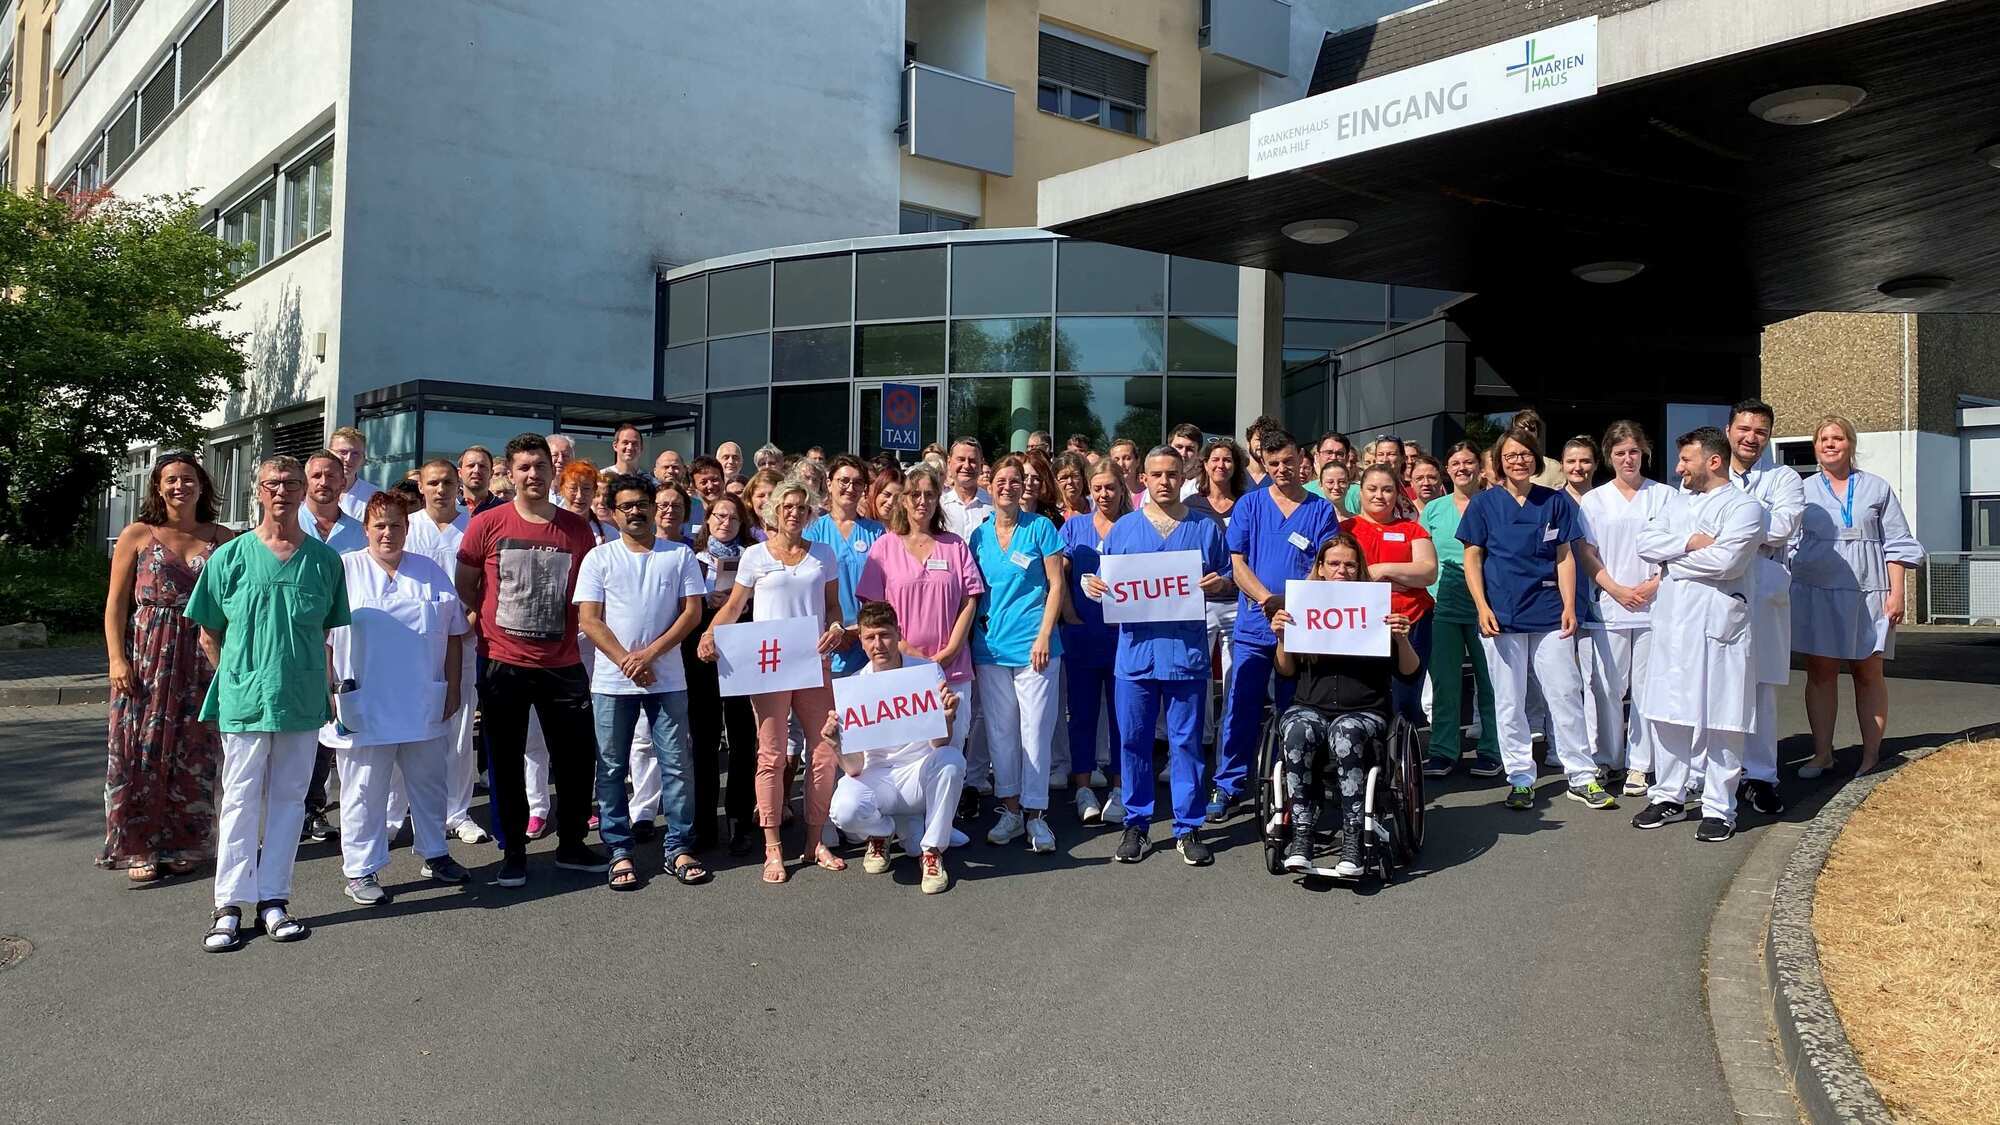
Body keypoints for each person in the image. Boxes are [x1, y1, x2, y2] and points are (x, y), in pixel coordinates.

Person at [184, 455, 350, 951]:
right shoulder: (229, 558)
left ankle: (275, 900)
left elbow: (322, 633)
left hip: (300, 699)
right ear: (257, 491)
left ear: (305, 492)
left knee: (290, 801)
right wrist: (238, 676)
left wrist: (325, 687)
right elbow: (208, 634)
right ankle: (229, 904)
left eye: (292, 483)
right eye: (273, 483)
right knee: (238, 800)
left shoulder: (324, 562)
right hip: (245, 700)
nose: (283, 491)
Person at [456, 433, 609, 887]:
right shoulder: (488, 523)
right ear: (510, 472)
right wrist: (483, 623)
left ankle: (573, 844)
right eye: (523, 467)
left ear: (552, 471)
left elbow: (587, 593)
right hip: (503, 662)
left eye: (540, 466)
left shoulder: (576, 529)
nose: (533, 475)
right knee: (505, 759)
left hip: (562, 662)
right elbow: (465, 583)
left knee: (577, 758)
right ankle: (514, 852)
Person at [321, 492, 474, 904]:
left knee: (429, 782)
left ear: (408, 528)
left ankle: (436, 853)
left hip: (422, 697)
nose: (388, 533)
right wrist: (327, 691)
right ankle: (361, 869)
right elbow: (323, 640)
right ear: (366, 529)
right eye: (379, 526)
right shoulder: (345, 569)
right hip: (363, 701)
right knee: (363, 789)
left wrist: (455, 687)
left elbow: (456, 634)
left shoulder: (429, 571)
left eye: (396, 525)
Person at [1085, 448, 1232, 865]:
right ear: (1143, 479)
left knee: (1186, 742)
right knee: (1134, 741)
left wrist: (1217, 584)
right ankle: (1137, 823)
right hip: (1135, 655)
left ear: (1182, 476)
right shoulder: (1124, 531)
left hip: (1185, 653)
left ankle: (1188, 826)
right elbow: (1106, 580)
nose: (1164, 481)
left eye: (1171, 474)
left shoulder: (1206, 527)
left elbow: (1227, 579)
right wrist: (1093, 586)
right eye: (1156, 474)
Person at [1458, 426, 1617, 811]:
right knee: (1510, 700)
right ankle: (1521, 778)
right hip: (1501, 612)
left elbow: (1564, 555)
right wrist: (1481, 606)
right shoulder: (1484, 504)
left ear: (1536, 459)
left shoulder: (1555, 502)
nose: (1518, 460)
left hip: (1549, 612)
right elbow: (1472, 557)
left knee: (1564, 693)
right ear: (1499, 461)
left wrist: (1568, 605)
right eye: (1510, 455)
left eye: (1525, 454)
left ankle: (1582, 775)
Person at [698, 479, 848, 884]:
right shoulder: (754, 555)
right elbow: (734, 605)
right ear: (774, 512)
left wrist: (836, 626)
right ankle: (773, 846)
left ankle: (815, 839)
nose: (794, 513)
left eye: (801, 507)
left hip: (813, 661)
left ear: (809, 512)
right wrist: (710, 634)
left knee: (822, 752)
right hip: (769, 664)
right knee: (772, 754)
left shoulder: (824, 555)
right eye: (787, 507)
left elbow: (833, 606)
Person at [100, 453, 233, 883]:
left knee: (196, 749)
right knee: (139, 748)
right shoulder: (138, 534)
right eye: (171, 480)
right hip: (147, 656)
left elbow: (234, 604)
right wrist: (116, 659)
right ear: (158, 487)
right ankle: (140, 846)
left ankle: (186, 842)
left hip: (202, 653)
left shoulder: (223, 537)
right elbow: (116, 603)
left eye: (188, 479)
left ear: (201, 486)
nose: (180, 486)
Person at [1631, 428, 1768, 842]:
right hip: (1673, 626)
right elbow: (1644, 542)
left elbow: (1728, 560)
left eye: (1686, 460)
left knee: (1723, 718)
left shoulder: (1746, 508)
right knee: (1668, 713)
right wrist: (1690, 541)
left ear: (1713, 460)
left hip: (1719, 625)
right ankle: (1669, 795)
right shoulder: (1676, 502)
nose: (1678, 469)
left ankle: (1718, 807)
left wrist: (1672, 563)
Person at [575, 474, 710, 889]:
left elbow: (691, 614)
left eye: (642, 504)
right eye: (627, 506)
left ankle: (678, 847)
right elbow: (589, 619)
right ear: (614, 514)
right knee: (612, 766)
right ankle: (619, 849)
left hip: (667, 677)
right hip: (612, 683)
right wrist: (627, 662)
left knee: (676, 764)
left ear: (654, 507)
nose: (636, 512)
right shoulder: (599, 558)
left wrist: (649, 656)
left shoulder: (679, 555)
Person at [1270, 533, 1420, 875]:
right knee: (1295, 729)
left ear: (1359, 568)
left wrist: (1401, 639)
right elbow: (1285, 671)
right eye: (1334, 563)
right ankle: (1303, 832)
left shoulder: (1377, 608)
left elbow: (1409, 675)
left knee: (1345, 730)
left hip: (1364, 710)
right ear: (1320, 568)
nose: (1342, 570)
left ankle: (1354, 833)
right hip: (1311, 704)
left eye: (1350, 564)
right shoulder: (1303, 607)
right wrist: (1282, 639)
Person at [1215, 429, 1339, 823]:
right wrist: (1267, 600)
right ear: (1264, 466)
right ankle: (1229, 784)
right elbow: (1237, 563)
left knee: (1299, 711)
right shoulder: (1250, 505)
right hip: (1254, 626)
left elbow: (1326, 565)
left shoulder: (1320, 510)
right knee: (1240, 707)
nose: (1282, 470)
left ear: (1301, 458)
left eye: (1287, 461)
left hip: (1304, 628)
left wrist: (1294, 602)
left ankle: (1298, 785)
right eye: (1273, 465)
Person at [1792, 416, 1924, 778]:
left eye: (1837, 438)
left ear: (1850, 444)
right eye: (1823, 439)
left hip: (1869, 592)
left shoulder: (1877, 488)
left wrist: (1897, 593)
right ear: (1815, 447)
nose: (1830, 444)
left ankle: (1871, 754)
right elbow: (1787, 542)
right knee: (1820, 672)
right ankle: (1822, 754)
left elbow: (1897, 543)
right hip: (1817, 590)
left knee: (1868, 671)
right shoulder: (1801, 490)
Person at [858, 463, 986, 815]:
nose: (922, 502)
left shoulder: (954, 545)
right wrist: (909, 651)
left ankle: (941, 822)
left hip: (952, 669)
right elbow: (875, 610)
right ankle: (905, 820)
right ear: (903, 500)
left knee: (949, 745)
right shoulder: (884, 547)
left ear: (938, 501)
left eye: (930, 495)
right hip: (899, 672)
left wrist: (950, 650)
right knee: (903, 750)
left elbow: (969, 600)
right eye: (915, 495)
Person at [826, 603, 967, 895]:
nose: (878, 644)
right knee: (844, 808)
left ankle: (932, 851)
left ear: (898, 634)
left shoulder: (926, 672)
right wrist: (838, 745)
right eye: (870, 637)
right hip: (879, 777)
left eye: (885, 635)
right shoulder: (854, 686)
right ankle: (882, 833)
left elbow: (940, 744)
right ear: (862, 641)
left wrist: (946, 720)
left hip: (919, 774)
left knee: (951, 760)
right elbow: (853, 768)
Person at [968, 455, 1067, 853]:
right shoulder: (978, 535)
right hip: (990, 648)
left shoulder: (1040, 527)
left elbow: (1056, 585)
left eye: (1016, 481)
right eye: (1002, 481)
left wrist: (1045, 634)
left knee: (1035, 732)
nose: (1008, 487)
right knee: (1001, 732)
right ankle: (1009, 809)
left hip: (1035, 648)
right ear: (990, 487)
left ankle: (1037, 815)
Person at [1573, 422, 1672, 796]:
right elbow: (1586, 552)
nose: (1627, 459)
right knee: (1606, 686)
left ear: (1643, 451)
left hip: (1653, 604)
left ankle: (1639, 764)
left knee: (1647, 688)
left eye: (1633, 451)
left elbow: (1676, 549)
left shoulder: (1664, 496)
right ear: (1608, 457)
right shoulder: (1595, 501)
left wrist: (1652, 585)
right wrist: (1614, 589)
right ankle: (1609, 757)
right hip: (1609, 605)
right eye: (1619, 453)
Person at [1717, 400, 1803, 813]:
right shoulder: (1709, 472)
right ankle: (1722, 774)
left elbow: (1784, 528)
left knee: (1762, 686)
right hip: (1719, 586)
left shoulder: (1784, 477)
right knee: (1720, 683)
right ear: (1729, 429)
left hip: (1765, 585)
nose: (1751, 438)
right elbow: (1695, 526)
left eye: (1761, 432)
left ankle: (1761, 776)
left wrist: (1733, 529)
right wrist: (1754, 527)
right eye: (1744, 428)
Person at [399, 458, 489, 844]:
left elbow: (486, 585)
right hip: (409, 646)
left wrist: (465, 626)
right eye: (433, 482)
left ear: (459, 486)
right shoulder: (407, 528)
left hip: (463, 640)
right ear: (420, 485)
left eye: (448, 483)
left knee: (458, 728)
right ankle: (395, 811)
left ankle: (457, 812)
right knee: (402, 728)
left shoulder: (473, 528)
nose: (441, 489)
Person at [1418, 441, 1501, 776]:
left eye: (1469, 462)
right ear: (1446, 470)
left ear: (1480, 468)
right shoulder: (1434, 510)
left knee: (1491, 680)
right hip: (1443, 601)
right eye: (1455, 463)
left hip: (1489, 601)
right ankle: (1443, 750)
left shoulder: (1495, 504)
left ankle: (1493, 748)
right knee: (1445, 681)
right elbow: (1422, 555)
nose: (1462, 468)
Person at [297, 449, 365, 841]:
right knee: (300, 729)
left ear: (344, 482)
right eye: (317, 476)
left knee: (334, 725)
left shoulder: (358, 532)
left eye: (331, 476)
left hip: (343, 639)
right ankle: (295, 809)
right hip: (300, 639)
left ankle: (317, 808)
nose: (324, 482)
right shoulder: (288, 525)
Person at [688, 494, 761, 853]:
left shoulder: (753, 556)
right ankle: (704, 823)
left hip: (742, 649)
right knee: (703, 740)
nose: (725, 522)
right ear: (708, 518)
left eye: (733, 517)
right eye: (719, 515)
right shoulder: (692, 555)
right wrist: (706, 602)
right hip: (702, 652)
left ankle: (739, 821)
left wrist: (739, 600)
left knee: (743, 738)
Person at [1060, 460, 1131, 825]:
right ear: (1090, 490)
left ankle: (1120, 788)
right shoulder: (1074, 526)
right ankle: (1084, 787)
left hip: (1124, 638)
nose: (1104, 494)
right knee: (1082, 715)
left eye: (1111, 488)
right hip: (1082, 634)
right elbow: (1059, 575)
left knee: (1123, 716)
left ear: (1123, 489)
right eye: (1098, 488)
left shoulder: (1135, 527)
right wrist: (1070, 613)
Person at [1342, 465, 1439, 727]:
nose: (1379, 495)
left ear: (1398, 493)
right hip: (1360, 625)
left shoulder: (1412, 530)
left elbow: (1428, 572)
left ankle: (1406, 760)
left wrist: (1382, 569)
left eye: (1387, 489)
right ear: (1360, 492)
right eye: (1372, 489)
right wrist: (1400, 581)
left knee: (1406, 697)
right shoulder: (1345, 530)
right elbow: (1337, 577)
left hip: (1411, 621)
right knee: (1366, 697)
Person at [1184, 437, 1250, 748]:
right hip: (1200, 600)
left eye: (1227, 460)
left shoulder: (1247, 503)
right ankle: (1203, 733)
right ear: (1205, 465)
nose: (1221, 465)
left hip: (1237, 599)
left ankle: (1229, 732)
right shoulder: (1192, 506)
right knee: (1198, 672)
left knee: (1234, 673)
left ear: (1235, 466)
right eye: (1215, 459)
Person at [804, 455, 887, 680]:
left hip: (865, 641)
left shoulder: (877, 532)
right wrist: (834, 630)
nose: (850, 487)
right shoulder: (812, 530)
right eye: (844, 481)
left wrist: (858, 631)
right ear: (829, 484)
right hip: (823, 640)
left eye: (858, 482)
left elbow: (885, 588)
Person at [1341, 436, 1419, 520]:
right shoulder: (1362, 489)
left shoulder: (1401, 486)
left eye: (1391, 454)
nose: (1385, 459)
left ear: (1402, 458)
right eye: (1380, 454)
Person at [940, 437, 993, 540]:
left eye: (972, 460)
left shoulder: (993, 505)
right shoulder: (938, 505)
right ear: (949, 462)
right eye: (961, 459)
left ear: (981, 465)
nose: (967, 466)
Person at [1509, 408, 1571, 490]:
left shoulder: (1553, 467)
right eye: (1521, 429)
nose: (1526, 432)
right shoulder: (1505, 464)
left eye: (1532, 429)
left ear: (1537, 433)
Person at [329, 426, 380, 522]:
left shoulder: (374, 496)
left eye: (355, 454)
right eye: (343, 452)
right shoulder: (312, 492)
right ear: (329, 453)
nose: (348, 459)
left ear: (363, 459)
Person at [558, 460, 612, 544]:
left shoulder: (609, 534)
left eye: (586, 489)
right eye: (573, 488)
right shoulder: (551, 527)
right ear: (562, 490)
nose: (579, 496)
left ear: (594, 491)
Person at [458, 445, 504, 518]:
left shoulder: (505, 510)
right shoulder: (447, 507)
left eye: (482, 466)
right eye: (471, 465)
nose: (476, 470)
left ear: (491, 473)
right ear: (460, 473)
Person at [744, 469, 784, 540]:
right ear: (750, 501)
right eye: (761, 496)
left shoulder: (801, 531)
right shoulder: (745, 535)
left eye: (773, 494)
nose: (767, 500)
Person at [1107, 438, 1144, 507]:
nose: (1121, 464)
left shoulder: (1148, 493)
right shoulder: (1106, 494)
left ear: (1137, 461)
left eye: (1127, 458)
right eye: (1116, 460)